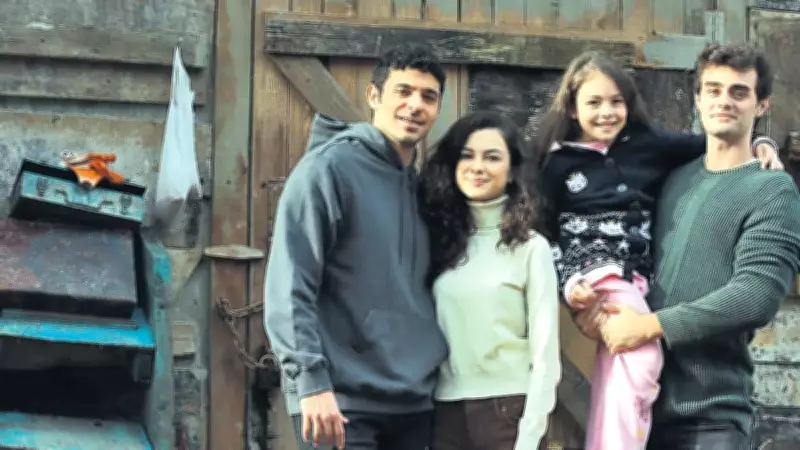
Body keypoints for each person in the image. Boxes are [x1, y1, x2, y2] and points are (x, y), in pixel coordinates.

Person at [534, 50, 782, 450]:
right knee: (626, 376)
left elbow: (757, 297)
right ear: (697, 99)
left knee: (634, 363)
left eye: (738, 92)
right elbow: (545, 233)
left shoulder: (765, 188)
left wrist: (647, 326)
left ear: (762, 104)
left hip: (708, 416)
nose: (723, 101)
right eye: (713, 90)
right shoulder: (661, 175)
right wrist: (576, 298)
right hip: (648, 408)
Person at [263, 43, 448, 450]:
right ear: (374, 96)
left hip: (413, 405)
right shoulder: (328, 169)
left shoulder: (424, 191)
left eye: (428, 97)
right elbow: (290, 285)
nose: (415, 105)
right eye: (403, 91)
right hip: (339, 401)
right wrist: (310, 382)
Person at [417, 111, 560, 450]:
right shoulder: (438, 242)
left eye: (492, 157)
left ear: (512, 172)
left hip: (508, 411)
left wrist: (530, 434)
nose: (477, 167)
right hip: (446, 412)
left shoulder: (530, 248)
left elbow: (545, 354)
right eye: (467, 156)